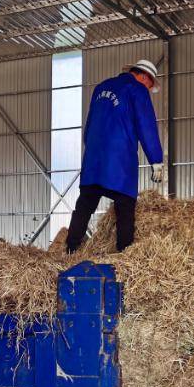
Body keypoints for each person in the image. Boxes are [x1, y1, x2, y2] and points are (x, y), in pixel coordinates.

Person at [65, 59, 164, 254]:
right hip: (119, 161)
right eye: (149, 85)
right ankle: (124, 256)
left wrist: (93, 150)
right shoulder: (136, 89)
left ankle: (69, 250)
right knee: (125, 207)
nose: (148, 89)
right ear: (144, 76)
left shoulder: (101, 88)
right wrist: (156, 160)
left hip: (93, 160)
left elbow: (89, 127)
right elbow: (146, 126)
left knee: (84, 205)